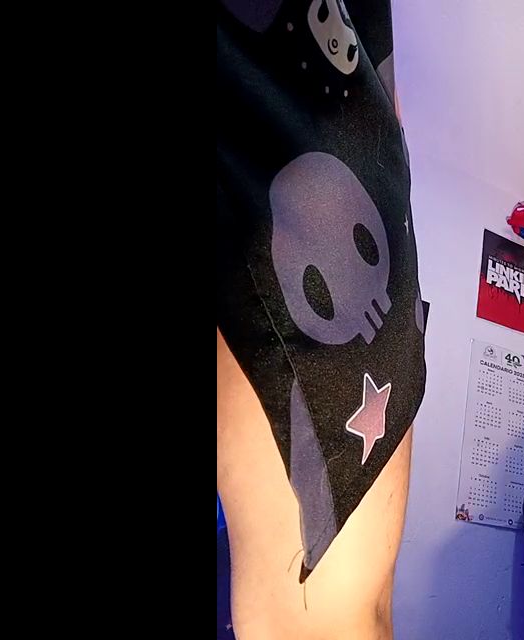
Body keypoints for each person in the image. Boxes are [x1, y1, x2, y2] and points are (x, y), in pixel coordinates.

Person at [217, 1, 426, 637]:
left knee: (346, 608)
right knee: (335, 611)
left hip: (347, 122)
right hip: (333, 124)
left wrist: (388, 149)